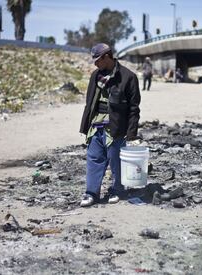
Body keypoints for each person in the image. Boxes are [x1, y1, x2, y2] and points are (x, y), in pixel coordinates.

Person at [79, 43, 141, 207]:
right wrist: (85, 125)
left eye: (98, 60)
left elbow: (134, 108)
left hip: (116, 127)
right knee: (94, 159)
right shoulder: (95, 76)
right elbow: (89, 102)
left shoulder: (128, 77)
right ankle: (91, 193)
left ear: (107, 57)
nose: (95, 63)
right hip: (95, 125)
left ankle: (117, 190)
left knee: (115, 161)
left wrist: (132, 132)